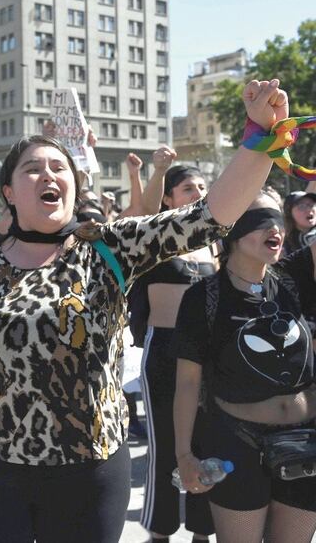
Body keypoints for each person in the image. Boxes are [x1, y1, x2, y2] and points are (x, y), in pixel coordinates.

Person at [0, 79, 290, 543]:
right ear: (9, 192)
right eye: (33, 168)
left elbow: (213, 216)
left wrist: (259, 133)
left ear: (75, 187)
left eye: (60, 167)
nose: (49, 175)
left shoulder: (113, 247)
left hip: (88, 475)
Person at [174, 192, 316, 542]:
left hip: (304, 444)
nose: (275, 227)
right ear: (232, 230)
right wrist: (184, 455)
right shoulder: (203, 298)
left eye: (278, 217)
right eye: (261, 218)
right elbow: (188, 384)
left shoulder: (294, 279)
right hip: (235, 444)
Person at [137, 162, 218, 542]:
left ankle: (202, 531)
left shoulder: (215, 241)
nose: (198, 192)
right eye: (188, 188)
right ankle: (160, 531)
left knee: (203, 442)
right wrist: (155, 172)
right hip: (165, 352)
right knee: (166, 446)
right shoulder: (154, 236)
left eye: (202, 186)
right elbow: (138, 215)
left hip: (206, 355)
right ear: (169, 197)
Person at [282, 189, 316, 254]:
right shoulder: (284, 245)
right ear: (289, 213)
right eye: (302, 206)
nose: (309, 209)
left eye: (312, 205)